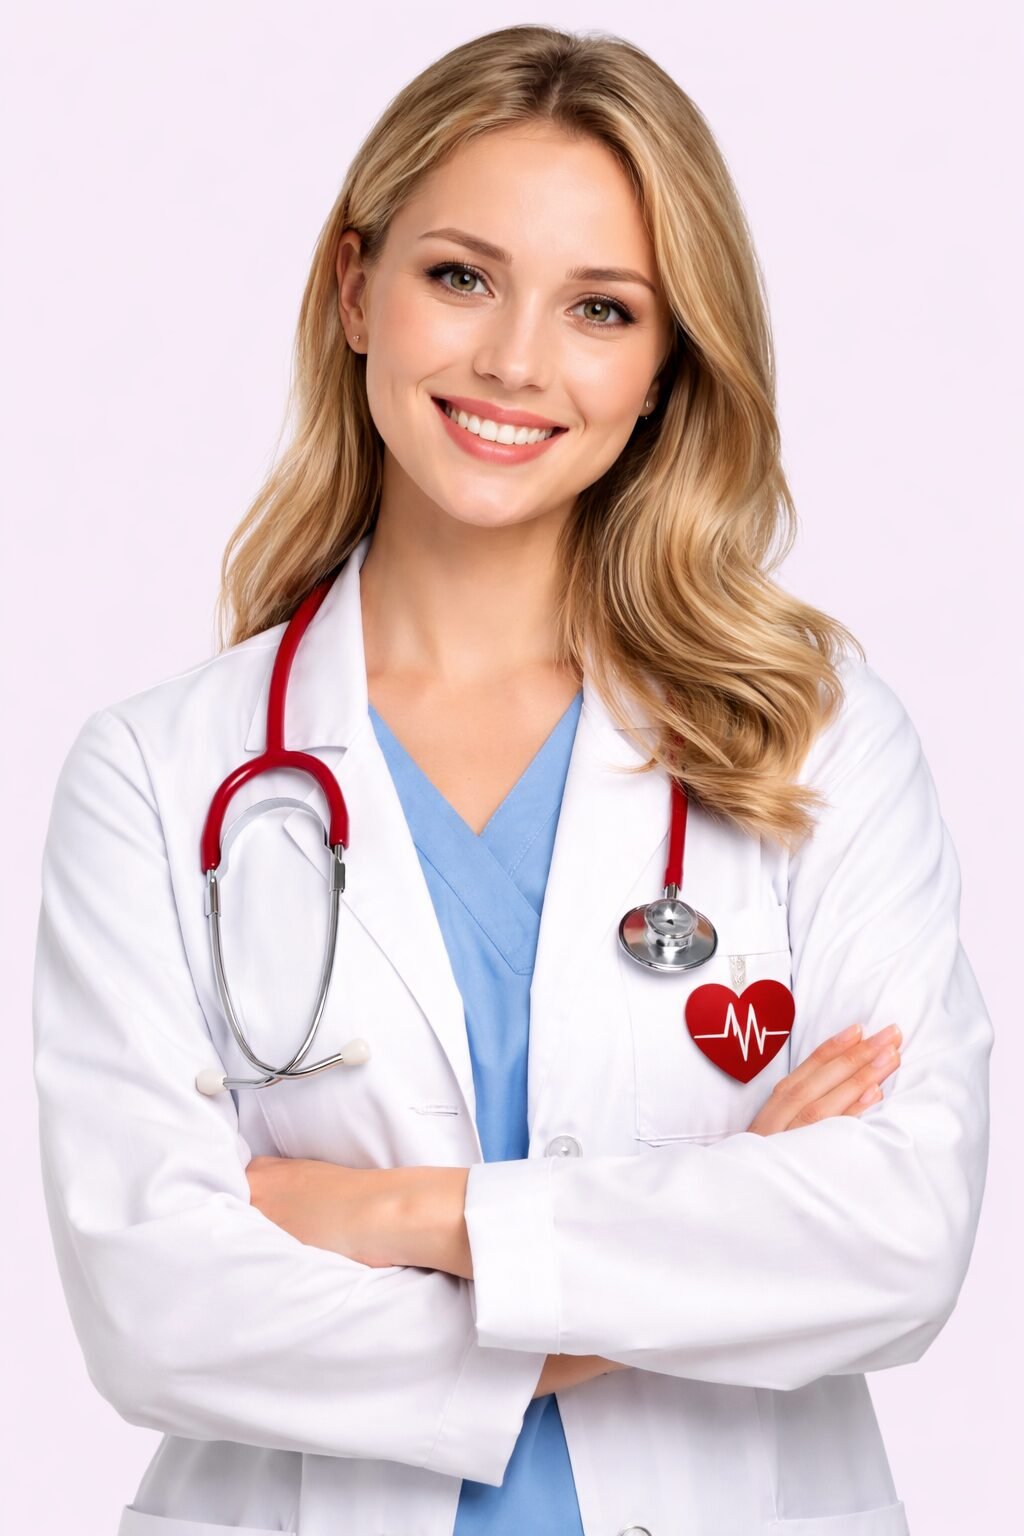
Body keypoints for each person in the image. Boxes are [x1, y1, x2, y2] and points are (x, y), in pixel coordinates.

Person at [32, 24, 992, 1536]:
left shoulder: (812, 737)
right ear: (356, 289)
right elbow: (160, 1311)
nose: (514, 362)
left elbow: (899, 1237)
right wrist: (699, 1255)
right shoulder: (158, 778)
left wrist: (398, 1220)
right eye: (460, 276)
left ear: (670, 364)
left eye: (601, 308)